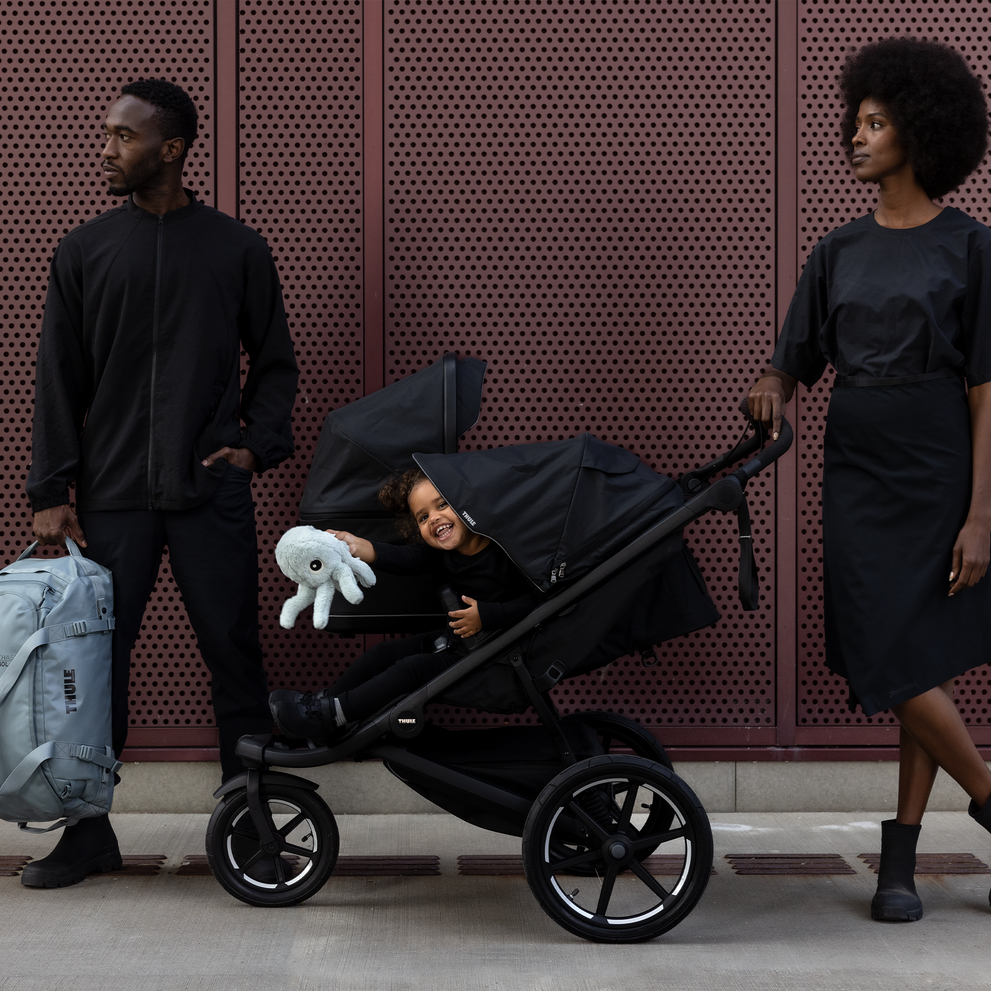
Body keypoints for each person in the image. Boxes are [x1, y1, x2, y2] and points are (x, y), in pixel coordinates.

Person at [23, 78, 299, 887]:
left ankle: (250, 826)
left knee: (233, 657)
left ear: (170, 148)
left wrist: (256, 445)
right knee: (91, 670)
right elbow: (57, 379)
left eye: (121, 135)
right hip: (109, 500)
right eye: (106, 133)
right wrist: (50, 489)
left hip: (208, 492)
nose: (104, 147)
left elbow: (276, 364)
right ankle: (88, 830)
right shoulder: (82, 250)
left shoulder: (236, 248)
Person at [749, 37, 991, 922]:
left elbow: (987, 390)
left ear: (918, 133)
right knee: (883, 649)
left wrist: (981, 516)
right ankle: (984, 798)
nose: (856, 137)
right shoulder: (835, 251)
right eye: (854, 121)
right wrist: (768, 388)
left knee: (911, 657)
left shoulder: (971, 248)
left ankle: (898, 864)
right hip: (854, 468)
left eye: (876, 123)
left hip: (937, 465)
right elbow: (791, 363)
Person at [269, 468, 537, 740]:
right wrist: (355, 545)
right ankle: (323, 709)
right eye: (423, 517)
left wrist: (486, 615)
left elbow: (535, 602)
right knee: (382, 654)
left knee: (410, 670)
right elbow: (402, 558)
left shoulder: (505, 551)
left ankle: (336, 714)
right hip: (462, 644)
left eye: (442, 505)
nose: (434, 518)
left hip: (496, 658)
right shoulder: (439, 553)